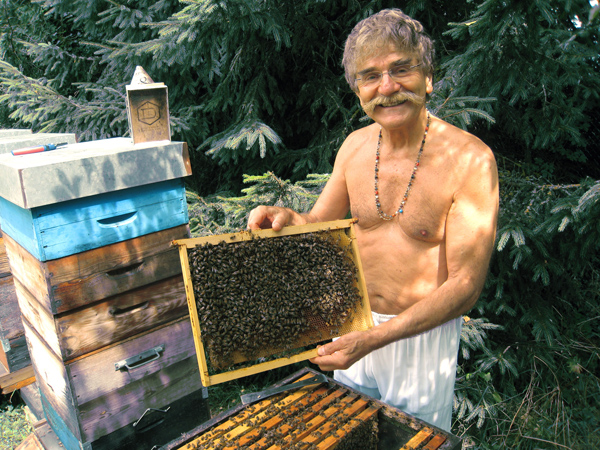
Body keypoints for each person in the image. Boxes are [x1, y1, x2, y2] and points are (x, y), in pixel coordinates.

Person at [247, 8, 499, 432]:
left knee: (412, 441)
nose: (388, 87)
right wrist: (289, 218)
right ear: (357, 89)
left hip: (420, 340)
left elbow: (465, 287)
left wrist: (373, 340)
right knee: (351, 436)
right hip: (352, 325)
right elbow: (319, 223)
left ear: (429, 78)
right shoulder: (354, 147)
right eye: (370, 76)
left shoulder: (471, 160)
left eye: (402, 69)